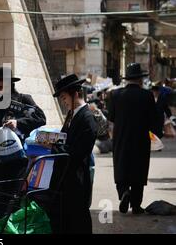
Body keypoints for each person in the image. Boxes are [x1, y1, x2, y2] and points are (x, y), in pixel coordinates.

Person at [0, 66, 46, 219]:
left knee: (15, 199)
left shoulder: (24, 99)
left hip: (18, 159)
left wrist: (18, 122)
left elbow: (41, 118)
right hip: (0, 159)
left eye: (1, 85)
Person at [108, 63, 156, 214]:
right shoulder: (147, 95)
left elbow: (111, 120)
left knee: (121, 167)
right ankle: (136, 205)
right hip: (141, 139)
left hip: (121, 138)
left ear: (127, 79)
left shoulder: (115, 95)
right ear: (140, 79)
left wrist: (113, 138)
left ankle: (123, 193)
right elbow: (153, 120)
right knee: (139, 169)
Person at [53, 74, 97, 234]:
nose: (63, 102)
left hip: (77, 179)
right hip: (67, 178)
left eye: (64, 98)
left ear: (75, 94)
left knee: (79, 221)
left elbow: (77, 152)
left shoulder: (87, 119)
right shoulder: (72, 115)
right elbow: (65, 139)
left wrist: (53, 146)